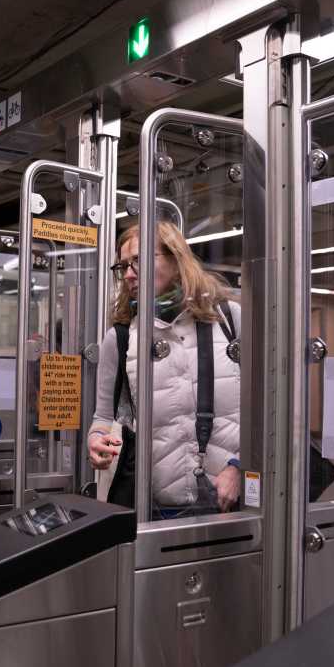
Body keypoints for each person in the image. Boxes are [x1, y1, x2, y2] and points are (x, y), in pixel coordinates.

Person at [87, 221, 242, 519]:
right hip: (157, 507)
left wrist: (240, 466)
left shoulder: (229, 320)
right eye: (123, 266)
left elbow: (266, 407)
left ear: (176, 259)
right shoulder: (120, 339)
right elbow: (103, 417)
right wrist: (96, 439)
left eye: (138, 261)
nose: (129, 274)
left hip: (233, 505)